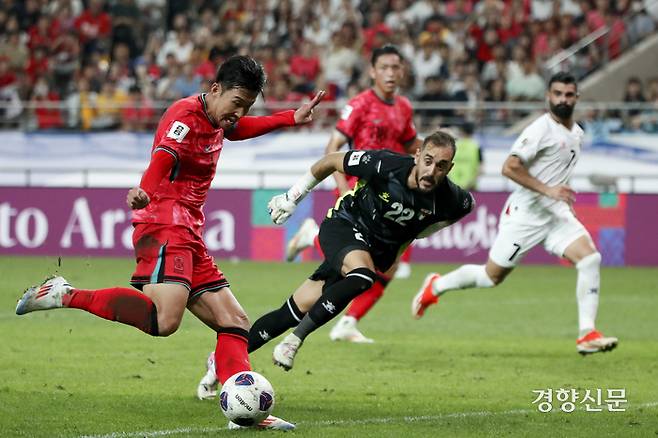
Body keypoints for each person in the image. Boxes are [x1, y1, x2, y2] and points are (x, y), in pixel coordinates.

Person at [15, 55, 325, 430]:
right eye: (237, 103)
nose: (239, 113)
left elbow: (238, 129)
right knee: (166, 320)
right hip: (163, 223)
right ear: (215, 90)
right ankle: (65, 293)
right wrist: (144, 191)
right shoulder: (185, 117)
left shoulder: (217, 119)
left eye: (247, 106)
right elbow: (163, 157)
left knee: (235, 322)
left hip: (188, 229)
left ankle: (243, 410)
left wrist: (290, 117)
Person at [411, 72, 618, 356]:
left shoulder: (577, 133)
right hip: (525, 215)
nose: (563, 99)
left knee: (590, 258)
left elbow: (557, 173)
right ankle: (437, 285)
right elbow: (509, 167)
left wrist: (557, 196)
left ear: (576, 98)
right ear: (548, 96)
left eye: (569, 95)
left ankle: (587, 333)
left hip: (555, 215)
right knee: (490, 277)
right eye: (557, 94)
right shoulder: (540, 130)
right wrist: (547, 190)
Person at [255, 131, 473, 371]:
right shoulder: (383, 164)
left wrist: (416, 232)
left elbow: (466, 207)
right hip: (343, 224)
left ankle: (221, 362)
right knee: (364, 276)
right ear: (418, 155)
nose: (432, 171)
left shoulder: (453, 200)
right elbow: (329, 161)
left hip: (371, 249)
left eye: (441, 166)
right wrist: (292, 197)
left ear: (450, 168)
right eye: (428, 161)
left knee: (290, 313)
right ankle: (293, 342)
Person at [285, 44, 423, 344]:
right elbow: (332, 149)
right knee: (365, 261)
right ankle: (345, 316)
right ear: (372, 71)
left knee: (385, 264)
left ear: (402, 71)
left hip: (388, 196)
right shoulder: (359, 105)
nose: (390, 73)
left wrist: (436, 152)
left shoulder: (403, 107)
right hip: (359, 191)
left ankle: (347, 319)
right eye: (384, 67)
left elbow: (413, 145)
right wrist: (344, 188)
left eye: (395, 67)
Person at [450, 122, 483, 191]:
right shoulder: (476, 146)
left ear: (461, 131)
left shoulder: (453, 145)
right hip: (470, 187)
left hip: (452, 186)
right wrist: (471, 183)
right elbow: (481, 169)